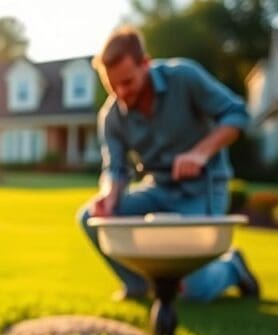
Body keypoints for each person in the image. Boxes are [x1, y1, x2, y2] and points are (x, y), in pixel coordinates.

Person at [77, 26, 260, 302]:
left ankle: (233, 267)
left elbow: (237, 113)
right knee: (90, 218)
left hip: (203, 189)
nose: (121, 93)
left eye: (127, 82)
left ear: (145, 63)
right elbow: (115, 168)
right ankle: (140, 285)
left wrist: (200, 153)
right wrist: (109, 196)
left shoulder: (184, 77)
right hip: (159, 189)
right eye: (113, 87)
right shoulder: (112, 117)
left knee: (195, 291)